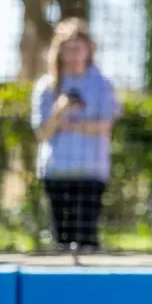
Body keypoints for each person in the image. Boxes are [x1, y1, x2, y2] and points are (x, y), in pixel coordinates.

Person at [31, 18, 118, 251]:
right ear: (58, 52)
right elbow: (43, 131)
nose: (74, 54)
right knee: (61, 239)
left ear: (89, 49)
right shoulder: (47, 86)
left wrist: (67, 125)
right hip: (57, 171)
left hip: (91, 172)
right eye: (68, 48)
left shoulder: (102, 85)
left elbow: (105, 125)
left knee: (87, 238)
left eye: (79, 47)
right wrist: (59, 111)